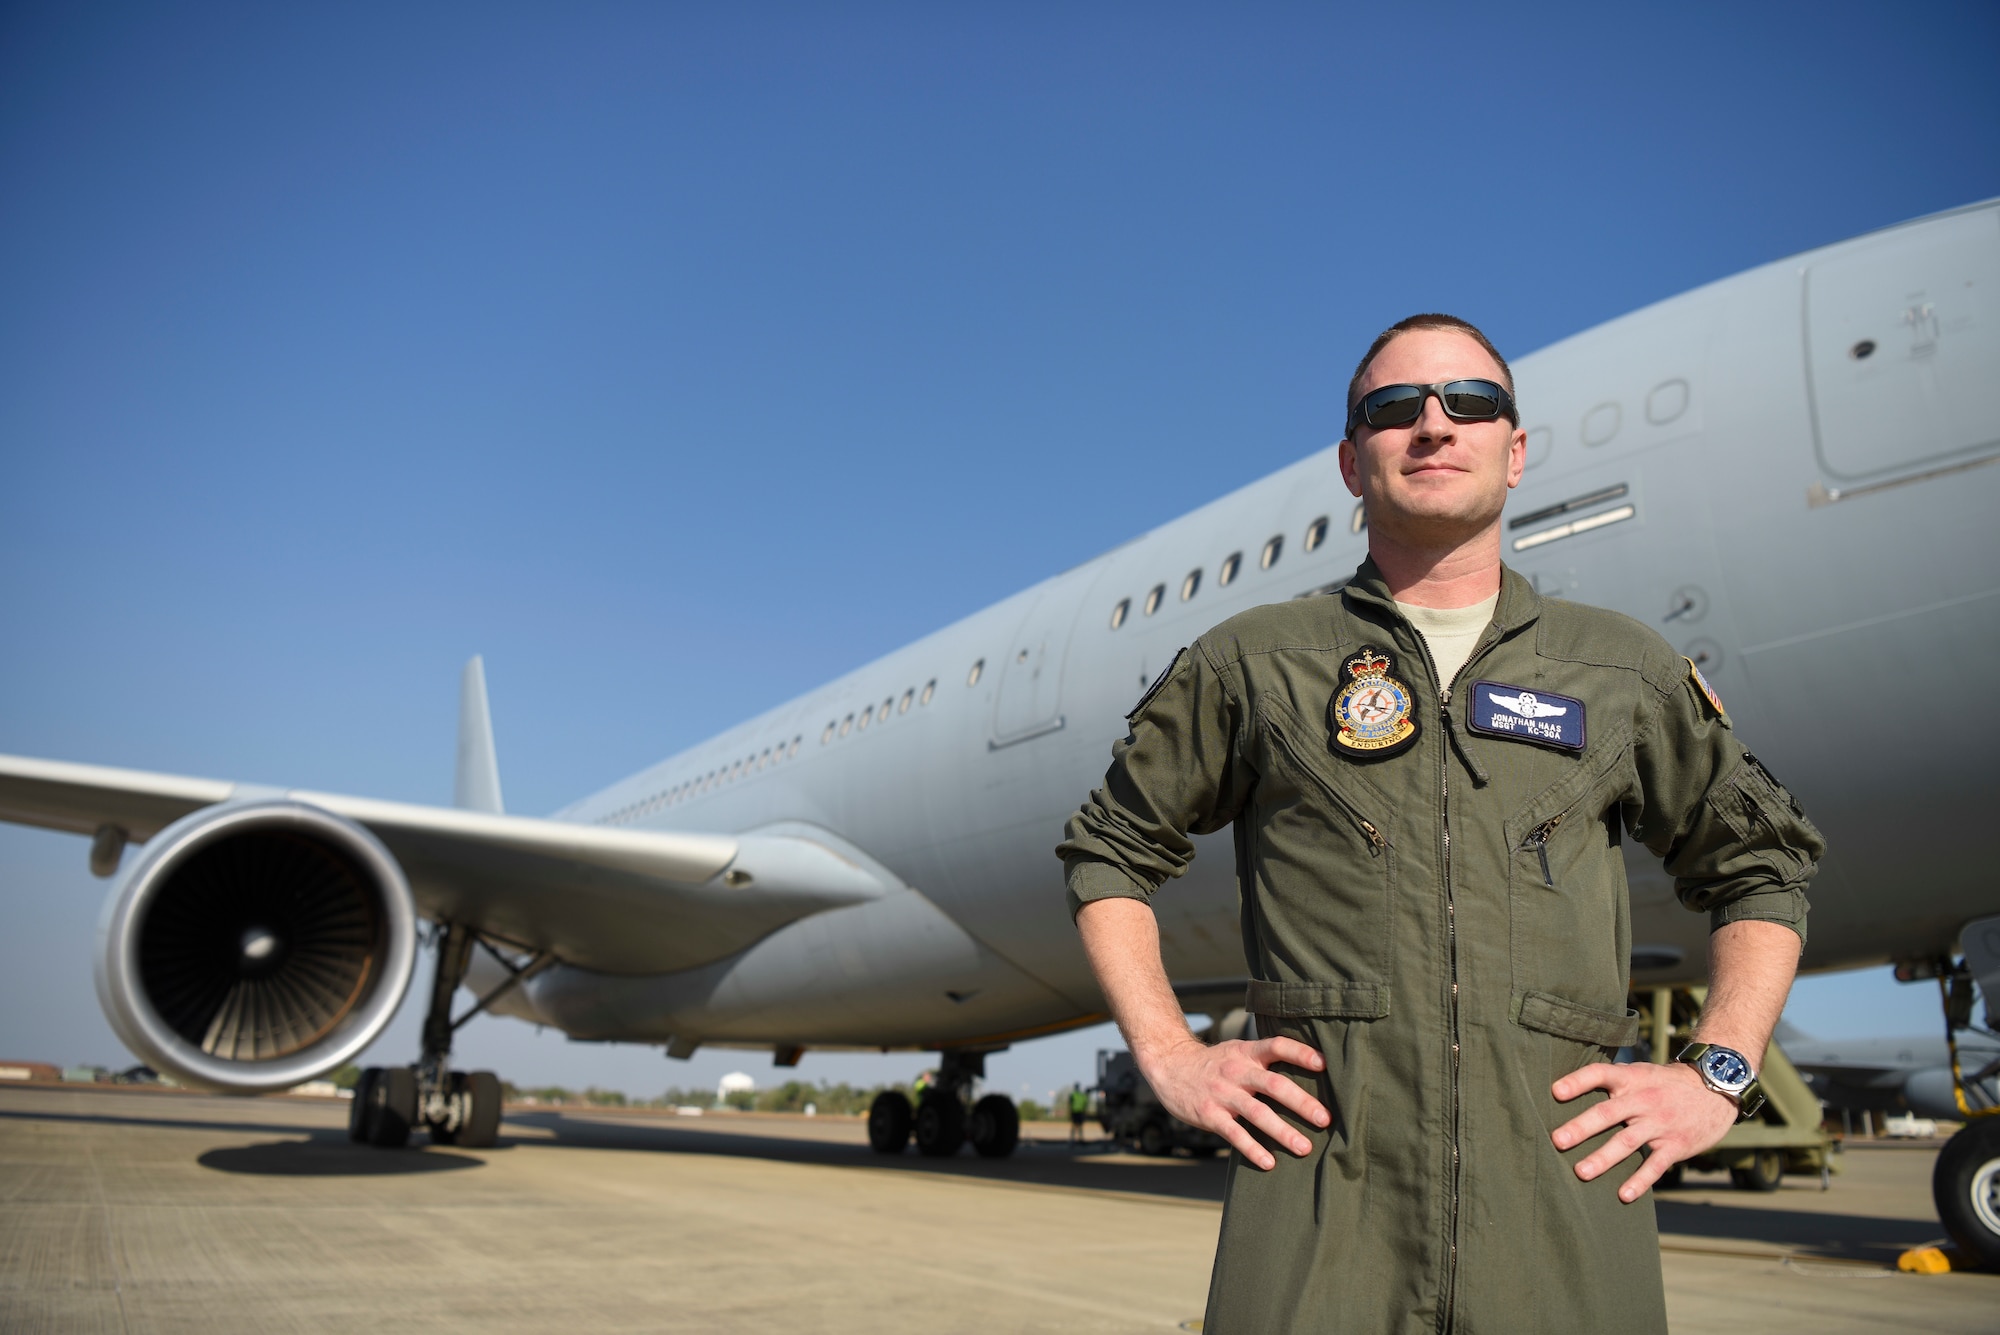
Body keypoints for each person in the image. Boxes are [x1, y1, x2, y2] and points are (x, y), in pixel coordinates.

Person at [1055, 314, 1824, 1334]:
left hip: (1565, 1209)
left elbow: (1760, 864)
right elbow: (1109, 850)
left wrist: (1717, 1074)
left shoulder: (1619, 669)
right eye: (1392, 408)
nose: (1431, 424)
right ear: (1348, 461)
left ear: (1513, 453)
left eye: (1468, 403)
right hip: (1318, 1210)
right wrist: (1167, 1057)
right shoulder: (1253, 664)